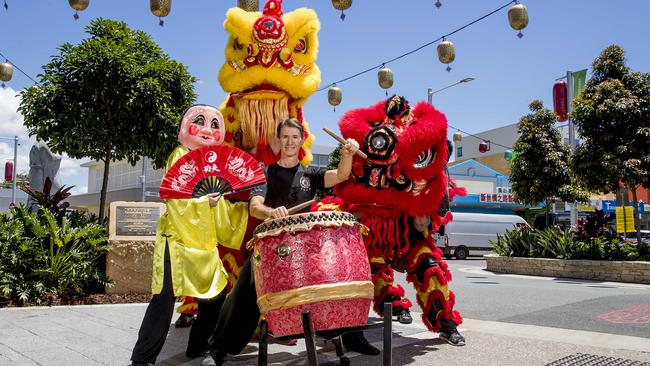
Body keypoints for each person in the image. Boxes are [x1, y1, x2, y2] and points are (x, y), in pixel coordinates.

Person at [202, 118, 379, 366]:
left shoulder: (311, 173)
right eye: (285, 137)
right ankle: (217, 349)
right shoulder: (266, 173)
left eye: (294, 137)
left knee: (336, 282)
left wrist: (348, 153)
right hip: (272, 247)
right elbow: (255, 207)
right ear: (278, 140)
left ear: (301, 140)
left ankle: (348, 339)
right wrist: (270, 213)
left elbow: (340, 175)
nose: (289, 142)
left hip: (305, 249)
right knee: (243, 291)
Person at [130, 105, 250, 366]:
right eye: (199, 121)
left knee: (215, 297)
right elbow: (176, 199)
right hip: (177, 242)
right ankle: (142, 360)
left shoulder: (213, 166)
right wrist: (204, 201)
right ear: (183, 127)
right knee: (163, 302)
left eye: (215, 124)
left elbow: (218, 210)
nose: (208, 129)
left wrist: (241, 209)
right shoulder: (180, 156)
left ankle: (197, 347)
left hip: (205, 247)